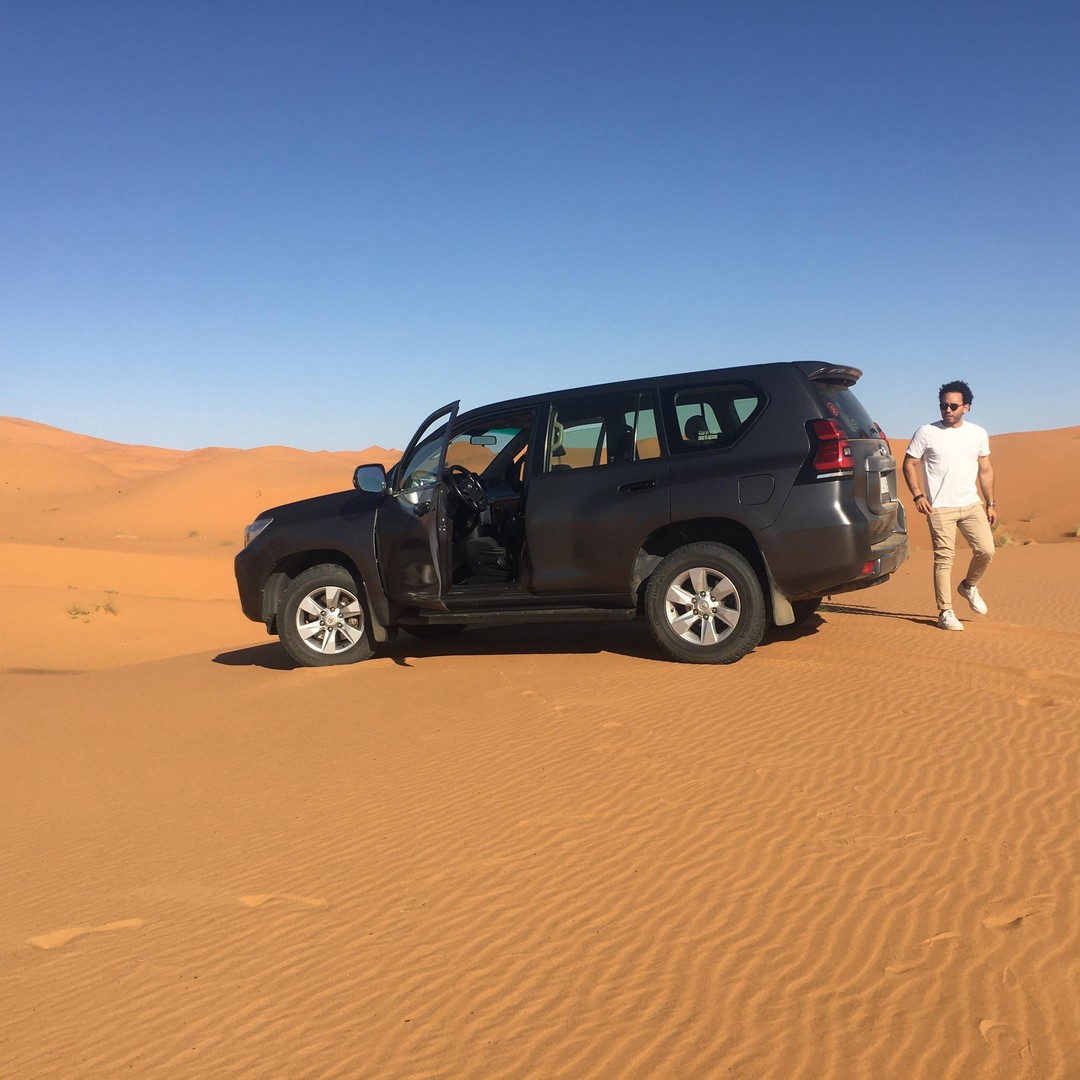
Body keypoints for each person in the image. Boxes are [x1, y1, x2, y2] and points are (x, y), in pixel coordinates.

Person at [903, 380, 996, 632]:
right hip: (939, 508)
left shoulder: (977, 433)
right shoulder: (926, 432)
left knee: (986, 550)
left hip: (971, 504)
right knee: (944, 560)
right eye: (943, 405)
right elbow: (909, 463)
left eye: (953, 405)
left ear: (966, 407)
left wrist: (990, 503)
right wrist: (918, 495)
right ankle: (945, 611)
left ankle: (968, 586)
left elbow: (985, 470)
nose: (947, 410)